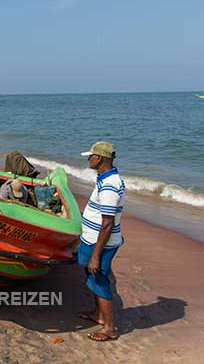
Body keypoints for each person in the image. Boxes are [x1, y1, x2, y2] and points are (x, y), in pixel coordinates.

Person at [78, 142, 125, 342]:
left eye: (91, 156)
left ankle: (110, 328)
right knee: (92, 275)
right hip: (92, 239)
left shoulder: (110, 185)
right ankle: (98, 314)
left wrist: (96, 255)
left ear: (100, 158)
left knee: (99, 280)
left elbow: (107, 223)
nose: (89, 159)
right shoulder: (104, 178)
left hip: (101, 244)